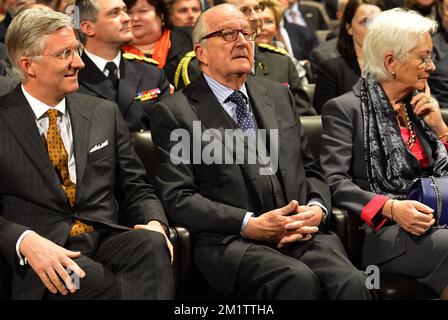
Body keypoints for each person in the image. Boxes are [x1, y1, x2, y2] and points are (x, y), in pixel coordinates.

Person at [151, 3, 373, 300]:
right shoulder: (175, 112)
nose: (243, 41)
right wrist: (249, 224)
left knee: (356, 283)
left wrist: (317, 209)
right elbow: (179, 198)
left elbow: (309, 169)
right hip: (233, 242)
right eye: (228, 34)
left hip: (300, 233)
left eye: (247, 33)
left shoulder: (278, 95)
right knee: (296, 280)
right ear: (201, 53)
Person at [0, 7, 174, 300]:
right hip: (48, 256)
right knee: (95, 284)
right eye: (64, 54)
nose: (78, 63)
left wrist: (155, 223)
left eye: (76, 51)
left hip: (105, 238)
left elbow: (137, 187)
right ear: (28, 65)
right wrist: (24, 241)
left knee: (151, 245)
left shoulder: (103, 112)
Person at [320, 9, 448, 299]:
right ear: (391, 61)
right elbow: (334, 182)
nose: (431, 67)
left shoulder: (421, 107)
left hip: (438, 218)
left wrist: (441, 129)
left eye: (431, 56)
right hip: (384, 232)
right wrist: (391, 208)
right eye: (423, 57)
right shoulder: (345, 109)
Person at [175, 0, 318, 115]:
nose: (256, 18)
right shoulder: (196, 65)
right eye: (244, 10)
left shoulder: (282, 62)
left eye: (257, 8)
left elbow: (303, 119)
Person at [76, 0, 170, 132]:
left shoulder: (152, 75)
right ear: (88, 28)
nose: (127, 18)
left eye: (124, 11)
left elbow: (168, 131)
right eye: (114, 13)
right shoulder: (70, 75)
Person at [313, 0, 382, 113]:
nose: (373, 28)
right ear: (349, 28)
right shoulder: (331, 70)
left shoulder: (398, 65)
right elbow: (327, 116)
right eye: (365, 22)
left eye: (378, 22)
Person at [121, 0, 193, 85]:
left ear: (161, 14)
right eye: (129, 12)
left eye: (143, 11)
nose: (135, 18)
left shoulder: (190, 37)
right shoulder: (113, 50)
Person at [256, 0, 309, 85]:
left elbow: (302, 89)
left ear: (277, 28)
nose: (262, 28)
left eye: (268, 21)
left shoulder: (285, 57)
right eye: (257, 22)